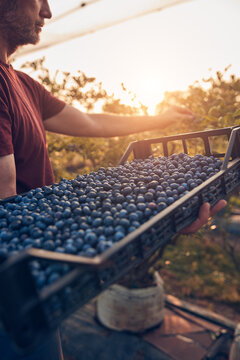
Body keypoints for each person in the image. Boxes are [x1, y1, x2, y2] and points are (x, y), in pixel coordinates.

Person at [0, 0, 226, 359]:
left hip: (41, 282)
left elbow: (91, 123)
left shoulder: (22, 84)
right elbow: (6, 200)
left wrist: (157, 120)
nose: (47, 12)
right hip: (15, 295)